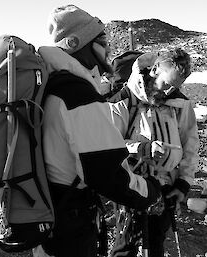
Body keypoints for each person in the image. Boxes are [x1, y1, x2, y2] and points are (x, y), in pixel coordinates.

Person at [33, 5, 162, 257]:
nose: (108, 47)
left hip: (48, 214)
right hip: (70, 227)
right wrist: (150, 191)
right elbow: (107, 174)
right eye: (101, 40)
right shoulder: (78, 96)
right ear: (76, 43)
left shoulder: (52, 84)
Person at [109, 48, 200, 257]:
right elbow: (108, 145)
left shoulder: (181, 104)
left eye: (175, 87)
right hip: (130, 184)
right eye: (167, 84)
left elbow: (190, 145)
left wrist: (184, 182)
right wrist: (142, 149)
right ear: (156, 69)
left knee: (156, 241)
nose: (168, 91)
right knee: (127, 244)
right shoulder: (124, 100)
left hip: (166, 186)